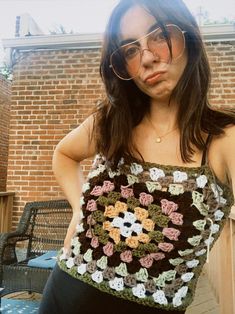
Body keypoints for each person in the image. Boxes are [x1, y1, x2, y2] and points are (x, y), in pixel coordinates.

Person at [39, 0, 235, 313]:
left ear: (189, 37)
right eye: (130, 49)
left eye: (159, 35)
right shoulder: (113, 121)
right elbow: (64, 154)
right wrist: (78, 208)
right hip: (65, 293)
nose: (146, 57)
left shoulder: (224, 138)